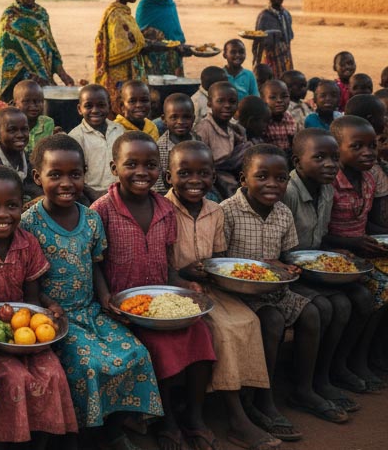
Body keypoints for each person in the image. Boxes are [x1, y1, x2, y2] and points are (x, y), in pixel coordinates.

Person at [21, 134, 162, 448]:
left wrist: (105, 297)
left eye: (75, 174)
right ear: (37, 178)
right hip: (55, 318)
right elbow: (27, 281)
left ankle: (113, 428)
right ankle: (86, 434)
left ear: (85, 174)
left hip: (91, 310)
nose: (66, 183)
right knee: (90, 365)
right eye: (55, 175)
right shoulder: (29, 224)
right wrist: (46, 305)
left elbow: (95, 263)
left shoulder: (91, 219)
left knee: (136, 353)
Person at [93, 132, 217, 450]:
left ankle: (195, 416)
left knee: (201, 334)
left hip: (160, 303)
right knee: (158, 348)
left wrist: (184, 284)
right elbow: (94, 263)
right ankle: (167, 421)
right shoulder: (102, 211)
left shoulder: (164, 209)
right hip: (123, 308)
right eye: (131, 164)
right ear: (114, 167)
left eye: (150, 165)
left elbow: (168, 265)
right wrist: (106, 296)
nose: (141, 172)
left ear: (160, 171)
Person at [221, 145, 345, 439]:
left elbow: (284, 256)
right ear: (243, 179)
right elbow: (220, 260)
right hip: (238, 292)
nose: (272, 184)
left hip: (273, 289)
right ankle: (262, 400)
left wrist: (285, 268)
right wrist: (254, 270)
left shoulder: (283, 213)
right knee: (273, 321)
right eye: (262, 176)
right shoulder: (228, 212)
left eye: (280, 178)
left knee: (313, 313)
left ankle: (303, 389)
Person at [0, 165, 79, 445]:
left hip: (24, 333)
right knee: (13, 378)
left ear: (21, 207)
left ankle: (42, 440)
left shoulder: (27, 243)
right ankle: (9, 440)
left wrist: (49, 307)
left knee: (53, 372)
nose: (2, 214)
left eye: (11, 206)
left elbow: (31, 301)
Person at [165, 141, 278, 450]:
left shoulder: (215, 211)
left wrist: (214, 271)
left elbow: (219, 257)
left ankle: (248, 402)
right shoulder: (163, 210)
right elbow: (161, 263)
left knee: (249, 321)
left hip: (210, 286)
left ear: (213, 177)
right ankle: (236, 417)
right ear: (168, 178)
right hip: (176, 289)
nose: (194, 180)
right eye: (185, 173)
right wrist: (186, 275)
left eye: (203, 173)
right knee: (224, 329)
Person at [284, 128, 375, 400]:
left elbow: (318, 237)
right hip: (289, 270)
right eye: (320, 157)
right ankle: (304, 385)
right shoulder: (288, 191)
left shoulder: (325, 189)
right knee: (327, 306)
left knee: (363, 296)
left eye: (334, 158)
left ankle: (332, 369)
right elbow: (280, 246)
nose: (330, 164)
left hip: (314, 266)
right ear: (298, 161)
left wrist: (334, 252)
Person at [323, 116, 388, 391]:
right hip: (336, 251)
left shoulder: (370, 178)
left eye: (372, 146)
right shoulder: (329, 183)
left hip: (362, 248)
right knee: (381, 287)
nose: (368, 153)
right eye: (358, 146)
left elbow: (367, 223)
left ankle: (373, 352)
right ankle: (353, 358)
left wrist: (376, 238)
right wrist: (356, 244)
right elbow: (320, 234)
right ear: (337, 149)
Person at [0, 0, 74, 102]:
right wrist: (32, 77)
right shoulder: (10, 16)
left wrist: (63, 74)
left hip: (45, 78)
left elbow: (50, 46)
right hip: (21, 83)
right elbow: (6, 55)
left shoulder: (41, 13)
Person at [94, 0, 163, 111]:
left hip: (131, 72)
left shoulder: (125, 13)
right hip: (120, 74)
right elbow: (121, 49)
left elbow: (135, 40)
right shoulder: (115, 15)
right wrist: (152, 46)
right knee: (124, 109)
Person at [135, 0, 192, 76]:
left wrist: (181, 46)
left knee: (175, 92)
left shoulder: (169, 2)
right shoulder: (146, 5)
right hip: (154, 61)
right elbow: (140, 37)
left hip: (174, 58)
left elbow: (174, 31)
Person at [68, 84, 124, 201]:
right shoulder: (75, 137)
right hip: (88, 194)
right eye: (88, 106)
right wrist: (92, 194)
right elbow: (74, 173)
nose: (95, 110)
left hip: (120, 191)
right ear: (79, 109)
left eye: (101, 105)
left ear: (109, 106)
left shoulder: (119, 130)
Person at [194, 81, 245, 198]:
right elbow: (200, 161)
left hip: (232, 172)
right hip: (214, 176)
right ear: (209, 103)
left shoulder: (233, 128)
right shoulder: (204, 128)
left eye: (232, 102)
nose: (227, 105)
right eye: (220, 101)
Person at [0, 107, 35, 201]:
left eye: (24, 129)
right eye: (12, 130)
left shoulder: (24, 155)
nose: (20, 135)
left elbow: (31, 183)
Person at [153, 93, 198, 193]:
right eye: (174, 117)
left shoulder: (198, 141)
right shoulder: (160, 148)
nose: (180, 122)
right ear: (164, 119)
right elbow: (159, 186)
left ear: (193, 118)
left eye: (186, 117)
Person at [252, 0, 294, 78]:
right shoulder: (264, 15)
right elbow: (258, 37)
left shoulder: (286, 14)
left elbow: (289, 35)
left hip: (285, 53)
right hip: (270, 54)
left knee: (287, 78)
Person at [13, 80, 55, 150]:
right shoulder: (11, 125)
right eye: (26, 101)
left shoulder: (48, 123)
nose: (33, 106)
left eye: (38, 101)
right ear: (15, 104)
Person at [261, 79, 296, 154]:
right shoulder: (262, 121)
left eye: (284, 96)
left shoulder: (289, 117)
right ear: (263, 99)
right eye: (273, 97)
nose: (279, 100)